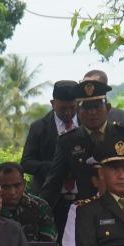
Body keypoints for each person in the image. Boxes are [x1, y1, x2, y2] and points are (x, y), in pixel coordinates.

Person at [43, 80, 124, 210]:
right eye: (86, 108)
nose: (92, 112)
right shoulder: (68, 141)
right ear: (78, 111)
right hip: (88, 211)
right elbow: (53, 182)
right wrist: (39, 211)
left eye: (97, 107)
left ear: (108, 108)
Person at [20, 80, 80, 223]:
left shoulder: (87, 125)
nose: (68, 112)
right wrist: (53, 168)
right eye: (63, 108)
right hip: (50, 200)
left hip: (81, 199)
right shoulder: (39, 127)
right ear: (53, 104)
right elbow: (26, 163)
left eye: (72, 107)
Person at [0, 161, 56, 242]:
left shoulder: (40, 206)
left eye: (17, 185)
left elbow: (48, 244)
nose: (12, 192)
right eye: (5, 187)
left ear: (24, 184)